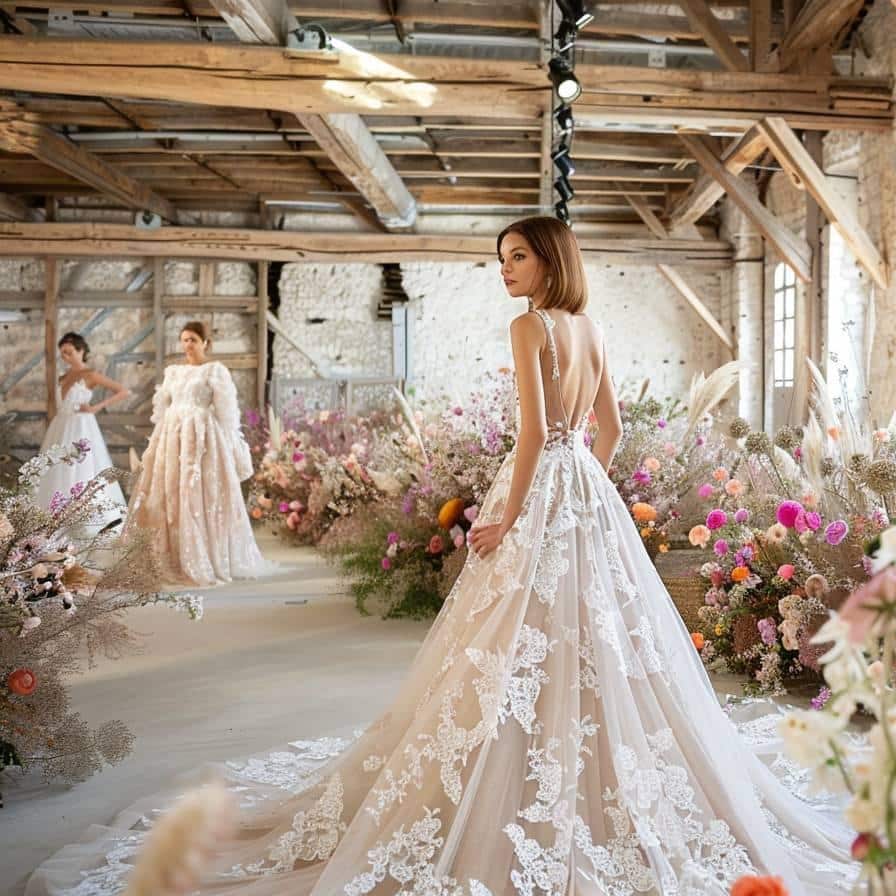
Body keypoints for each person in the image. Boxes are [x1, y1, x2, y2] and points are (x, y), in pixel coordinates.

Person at [25, 220, 853, 895]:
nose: (505, 271)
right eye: (500, 260)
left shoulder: (531, 326)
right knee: (594, 644)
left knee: (517, 639)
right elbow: (610, 429)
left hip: (542, 492)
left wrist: (515, 513)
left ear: (550, 260)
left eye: (517, 256)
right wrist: (585, 485)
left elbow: (532, 433)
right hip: (587, 499)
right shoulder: (591, 330)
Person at [124, 321, 265, 587]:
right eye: (184, 340)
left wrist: (231, 445)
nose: (187, 345)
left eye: (193, 340)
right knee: (168, 491)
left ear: (205, 343)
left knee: (198, 492)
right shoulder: (174, 372)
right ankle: (172, 554)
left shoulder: (215, 371)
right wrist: (156, 442)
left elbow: (227, 413)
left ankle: (204, 555)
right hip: (172, 435)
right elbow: (163, 408)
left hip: (202, 438)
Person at [34, 332, 130, 533]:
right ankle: (54, 520)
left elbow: (123, 391)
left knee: (83, 471)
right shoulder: (63, 377)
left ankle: (84, 522)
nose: (66, 358)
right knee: (57, 470)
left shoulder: (90, 375)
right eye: (63, 354)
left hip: (82, 427)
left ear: (81, 350)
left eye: (69, 352)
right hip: (60, 427)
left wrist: (96, 407)